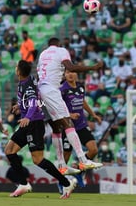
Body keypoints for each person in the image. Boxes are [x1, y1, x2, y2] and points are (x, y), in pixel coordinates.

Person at [3, 60, 77, 198]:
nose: (15, 69)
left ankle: (66, 183)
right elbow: (33, 98)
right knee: (9, 150)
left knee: (37, 160)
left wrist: (28, 117)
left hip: (34, 124)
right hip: (28, 124)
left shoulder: (27, 85)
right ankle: (23, 184)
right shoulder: (27, 80)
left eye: (16, 67)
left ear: (19, 71)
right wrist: (20, 105)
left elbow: (32, 102)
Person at [37, 37, 104, 172]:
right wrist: (92, 67)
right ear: (59, 45)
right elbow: (71, 67)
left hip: (41, 90)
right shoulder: (61, 51)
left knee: (56, 127)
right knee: (68, 123)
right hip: (51, 90)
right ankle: (83, 160)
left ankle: (62, 165)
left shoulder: (43, 54)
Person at [60, 69, 102, 185]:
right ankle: (61, 180)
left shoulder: (80, 87)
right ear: (64, 75)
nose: (70, 74)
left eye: (72, 72)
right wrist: (69, 115)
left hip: (81, 124)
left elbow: (82, 101)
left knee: (93, 150)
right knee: (66, 155)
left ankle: (79, 168)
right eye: (67, 72)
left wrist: (93, 114)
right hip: (67, 126)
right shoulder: (62, 90)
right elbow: (56, 107)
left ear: (76, 74)